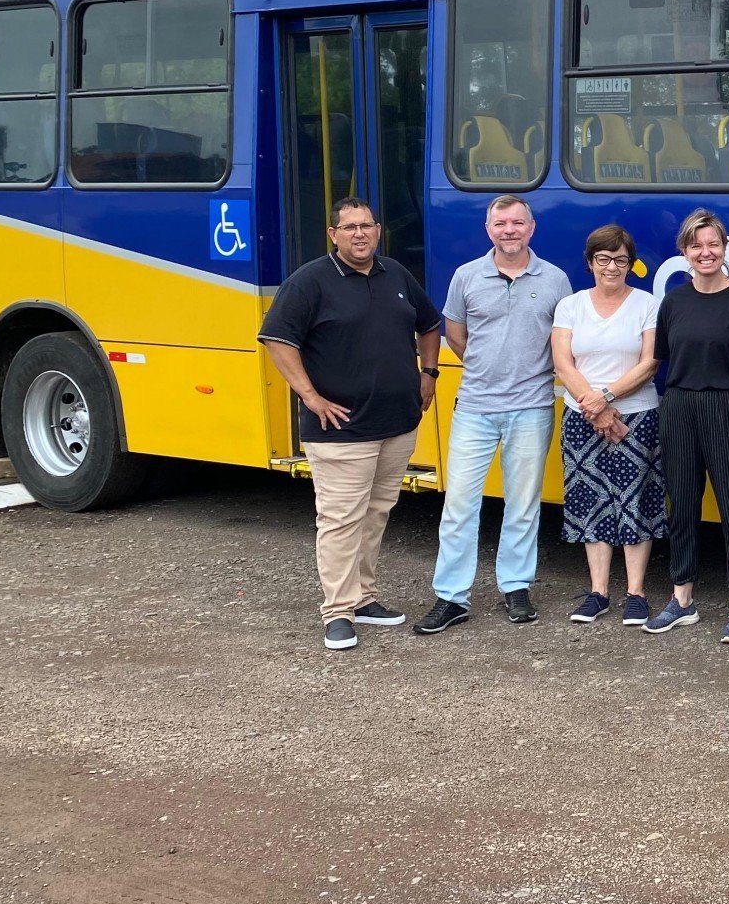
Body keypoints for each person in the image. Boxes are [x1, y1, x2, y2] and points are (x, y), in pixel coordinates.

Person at [258, 197, 441, 651]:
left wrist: (429, 373)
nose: (359, 234)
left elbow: (431, 324)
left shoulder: (395, 274)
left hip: (397, 424)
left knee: (375, 514)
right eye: (350, 227)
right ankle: (337, 612)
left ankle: (364, 598)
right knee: (340, 519)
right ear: (333, 235)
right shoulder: (310, 282)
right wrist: (310, 395)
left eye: (367, 226)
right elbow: (277, 340)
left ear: (378, 231)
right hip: (340, 429)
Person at [418, 194, 571, 634]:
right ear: (489, 230)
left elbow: (560, 341)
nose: (509, 230)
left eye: (517, 223)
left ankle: (516, 586)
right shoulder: (467, 276)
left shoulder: (555, 279)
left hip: (532, 408)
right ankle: (452, 597)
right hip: (476, 407)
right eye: (501, 223)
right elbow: (456, 334)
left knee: (522, 505)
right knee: (459, 505)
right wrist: (490, 370)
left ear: (531, 228)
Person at [648, 208, 729, 643]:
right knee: (682, 506)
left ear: (725, 248)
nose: (705, 252)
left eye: (713, 244)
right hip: (679, 405)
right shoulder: (674, 301)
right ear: (684, 252)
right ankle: (682, 599)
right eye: (696, 245)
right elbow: (661, 360)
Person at [551, 225, 663, 625]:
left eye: (620, 259)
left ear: (631, 264)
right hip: (584, 416)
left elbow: (650, 363)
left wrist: (607, 399)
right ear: (590, 262)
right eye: (603, 258)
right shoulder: (571, 305)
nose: (612, 266)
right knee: (590, 499)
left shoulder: (647, 303)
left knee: (636, 499)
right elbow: (563, 362)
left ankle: (636, 593)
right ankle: (598, 592)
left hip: (637, 415)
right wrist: (595, 407)